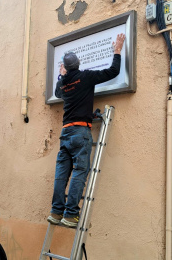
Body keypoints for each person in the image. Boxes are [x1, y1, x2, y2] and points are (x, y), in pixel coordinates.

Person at [47, 33, 126, 228]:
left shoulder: (63, 84)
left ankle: (56, 212)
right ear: (79, 63)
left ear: (65, 67)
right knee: (80, 171)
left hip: (65, 132)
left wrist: (62, 75)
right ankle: (71, 214)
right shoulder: (85, 77)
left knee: (61, 173)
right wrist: (117, 50)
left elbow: (57, 92)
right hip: (80, 133)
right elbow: (113, 71)